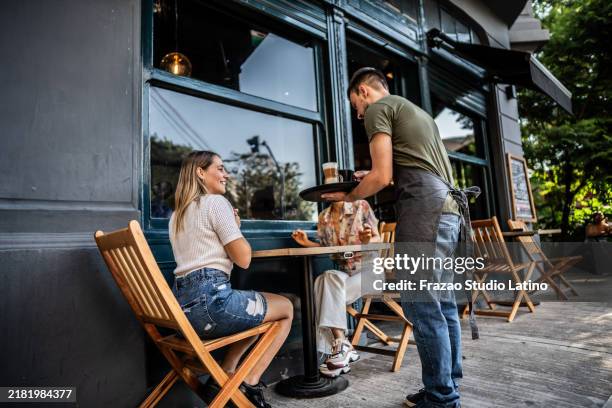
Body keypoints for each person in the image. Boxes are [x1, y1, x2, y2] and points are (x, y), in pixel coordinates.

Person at [322, 67, 478, 408]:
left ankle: (441, 398)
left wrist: (347, 197)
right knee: (443, 303)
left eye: (355, 106)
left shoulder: (379, 108)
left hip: (424, 212)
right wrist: (377, 175)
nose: (359, 114)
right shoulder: (417, 112)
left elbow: (381, 176)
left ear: (364, 91)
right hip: (448, 212)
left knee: (422, 304)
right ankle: (445, 384)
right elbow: (409, 168)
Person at [169, 150, 294, 408]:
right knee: (286, 308)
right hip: (211, 307)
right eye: (220, 168)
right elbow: (244, 259)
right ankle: (248, 382)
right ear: (200, 172)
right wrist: (235, 228)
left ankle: (224, 376)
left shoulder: (176, 216)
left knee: (253, 309)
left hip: (181, 314)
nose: (226, 174)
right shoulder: (215, 203)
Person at [292, 200, 380, 378]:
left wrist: (367, 240)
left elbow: (379, 239)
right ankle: (341, 347)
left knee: (323, 288)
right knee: (326, 278)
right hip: (345, 274)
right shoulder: (324, 216)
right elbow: (328, 248)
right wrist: (307, 243)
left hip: (370, 272)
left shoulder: (361, 206)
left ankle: (339, 348)